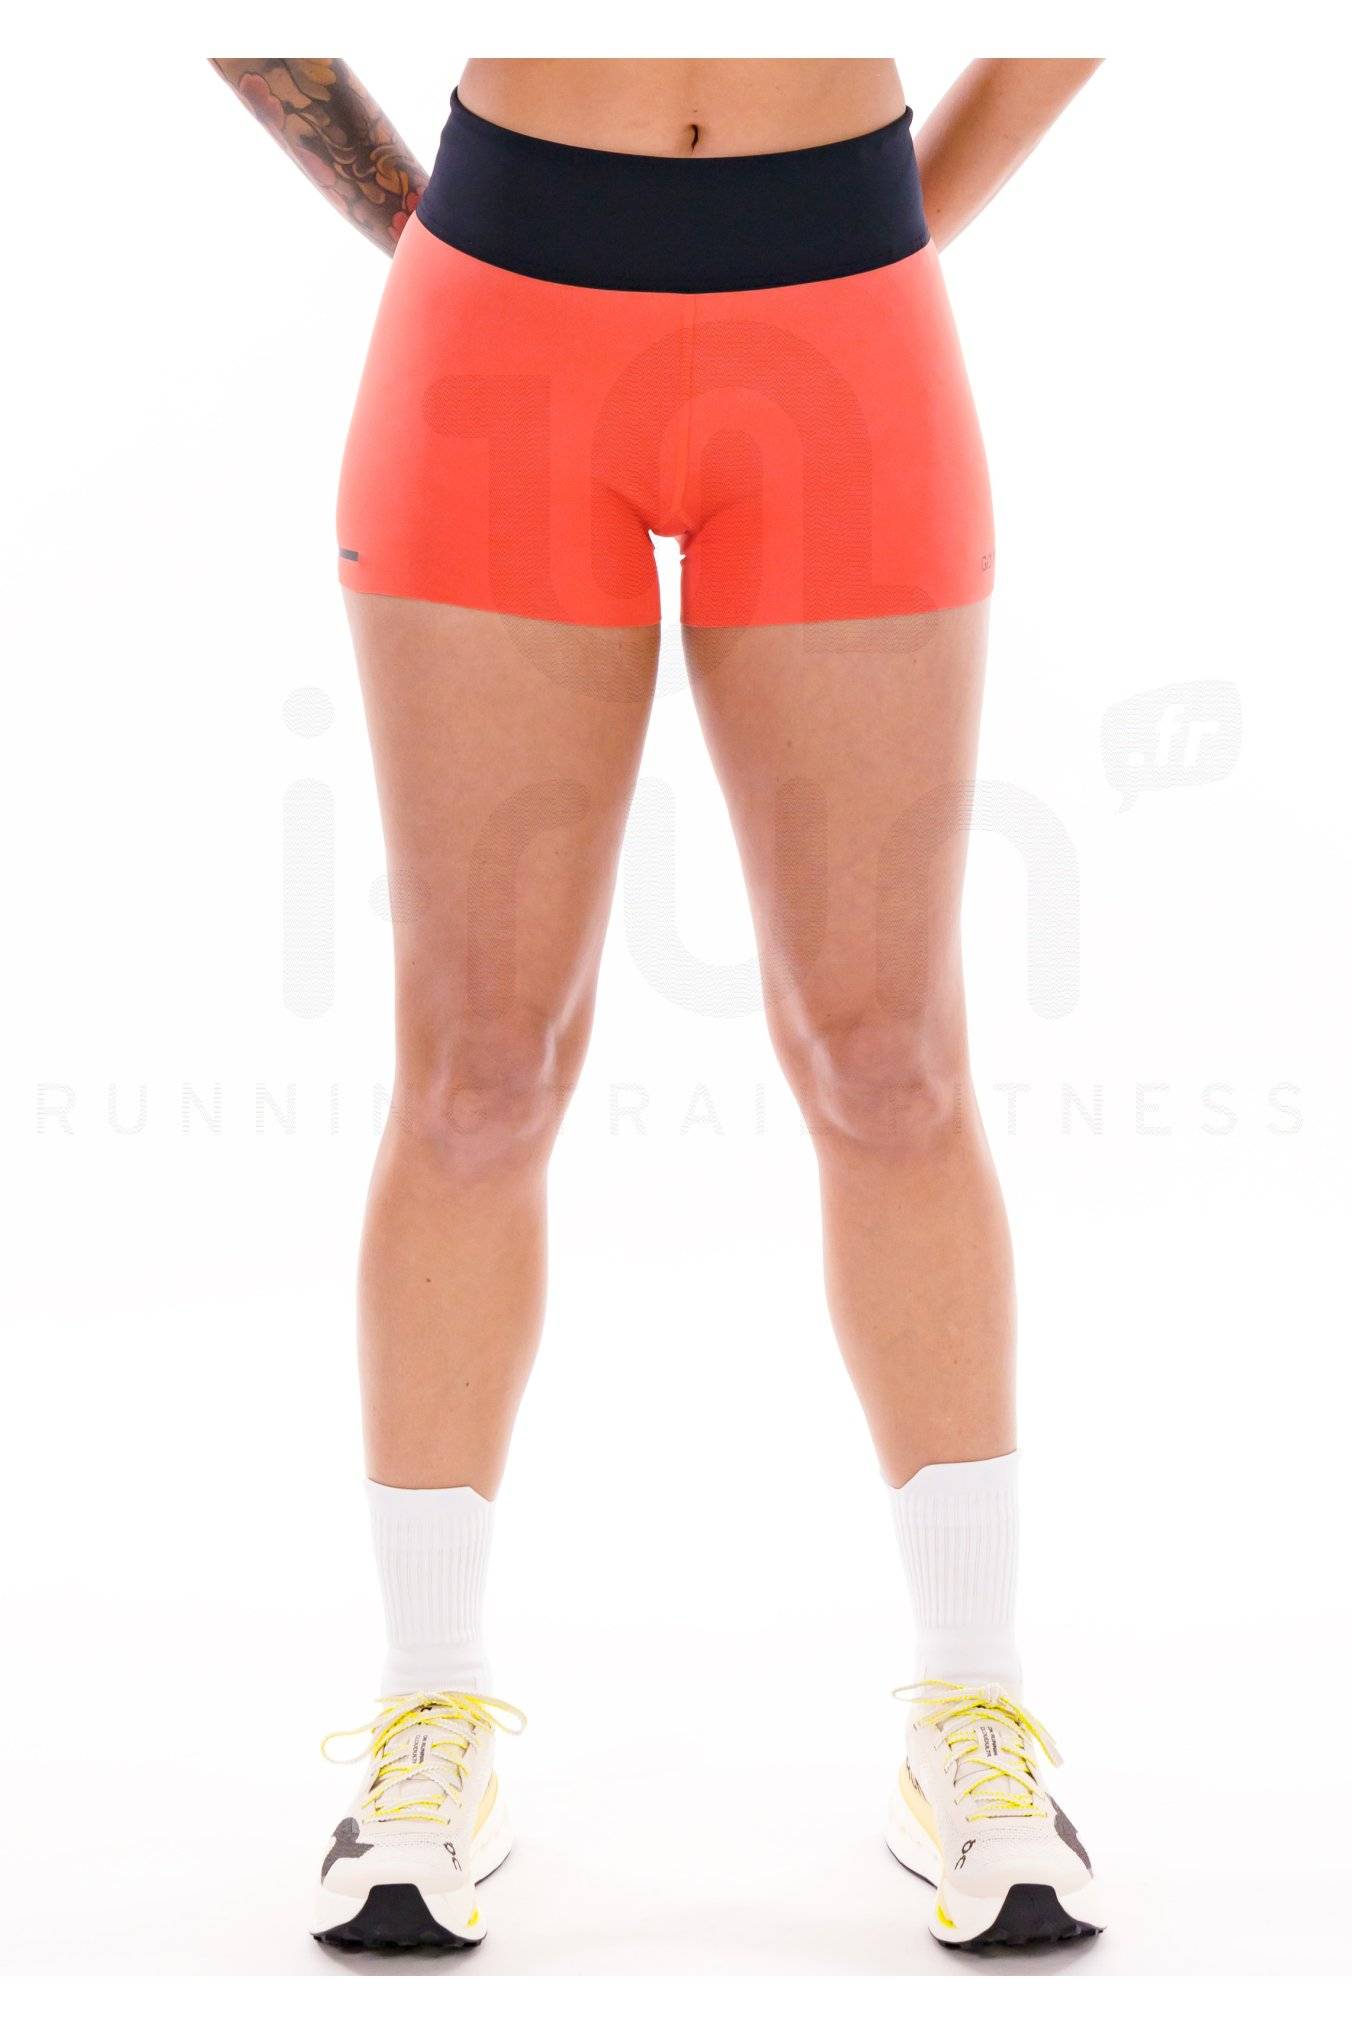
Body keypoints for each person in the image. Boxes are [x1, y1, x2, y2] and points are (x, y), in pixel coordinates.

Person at [213, 56, 1104, 1955]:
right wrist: (431, 221)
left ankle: (974, 1712)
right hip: (503, 331)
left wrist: (870, 233)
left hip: (842, 315)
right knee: (479, 1070)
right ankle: (428, 1718)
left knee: (888, 1058)